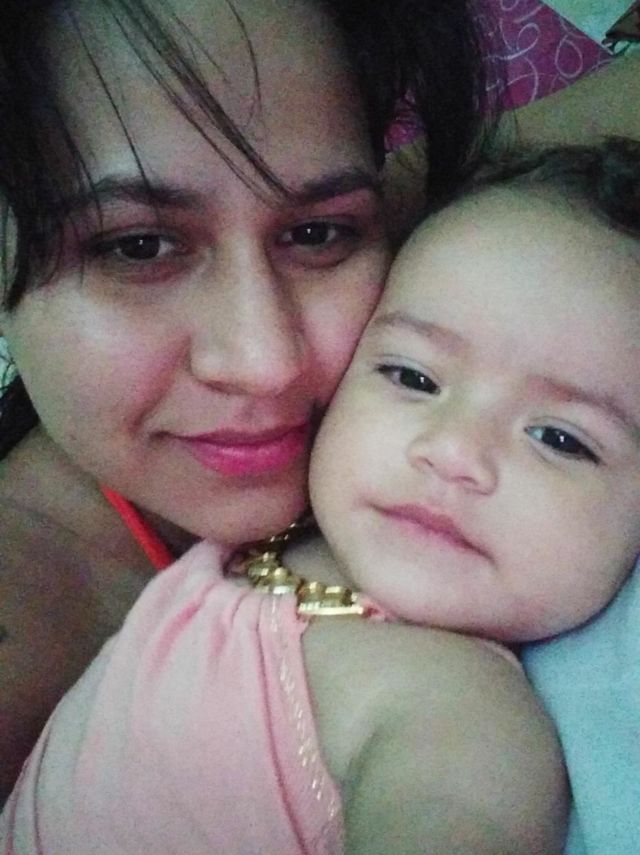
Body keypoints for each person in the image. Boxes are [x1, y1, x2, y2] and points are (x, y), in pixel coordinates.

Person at [0, 0, 497, 801]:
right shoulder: (31, 625)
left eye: (316, 234)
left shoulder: (422, 237)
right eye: (138, 246)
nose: (267, 363)